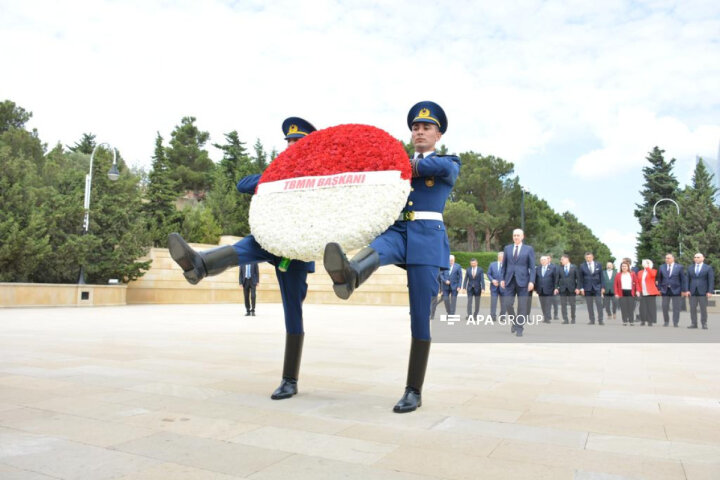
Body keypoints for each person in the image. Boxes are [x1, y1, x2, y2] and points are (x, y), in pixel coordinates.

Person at [323, 101, 460, 413]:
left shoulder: (449, 161)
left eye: (426, 127)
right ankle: (349, 274)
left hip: (427, 237)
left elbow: (443, 170)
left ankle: (414, 390)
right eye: (415, 127)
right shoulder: (393, 163)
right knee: (377, 248)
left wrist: (399, 165)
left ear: (437, 134)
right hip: (398, 230)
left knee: (419, 319)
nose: (420, 131)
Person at [167, 117, 317, 401]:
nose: (292, 146)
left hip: (296, 249)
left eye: (298, 142)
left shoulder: (321, 174)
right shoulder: (277, 171)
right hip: (270, 237)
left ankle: (289, 379)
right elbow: (242, 184)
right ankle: (198, 264)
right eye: (289, 142)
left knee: (293, 309)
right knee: (246, 246)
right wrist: (277, 176)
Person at [500, 229, 536, 337]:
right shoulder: (507, 248)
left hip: (524, 281)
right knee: (507, 304)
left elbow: (532, 267)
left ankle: (520, 328)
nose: (516, 237)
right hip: (509, 280)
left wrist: (531, 281)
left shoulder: (528, 249)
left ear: (522, 236)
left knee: (522, 306)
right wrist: (502, 279)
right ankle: (515, 321)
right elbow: (504, 266)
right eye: (514, 235)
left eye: (518, 235)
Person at [685, 253, 714, 329]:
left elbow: (711, 281)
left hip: (703, 291)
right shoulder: (690, 268)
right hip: (692, 291)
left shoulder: (708, 268)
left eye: (698, 257)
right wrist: (687, 290)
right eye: (695, 257)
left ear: (703, 258)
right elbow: (687, 280)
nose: (696, 258)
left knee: (703, 309)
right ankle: (694, 324)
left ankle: (704, 323)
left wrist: (710, 291)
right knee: (692, 309)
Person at [657, 253, 687, 327]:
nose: (667, 259)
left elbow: (683, 279)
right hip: (665, 290)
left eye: (668, 258)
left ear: (673, 259)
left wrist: (684, 290)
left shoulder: (679, 267)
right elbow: (659, 279)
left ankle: (675, 322)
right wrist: (659, 289)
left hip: (676, 290)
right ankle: (666, 321)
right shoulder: (662, 267)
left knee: (676, 307)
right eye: (666, 258)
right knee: (664, 307)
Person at [578, 252, 605, 325]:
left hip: (597, 287)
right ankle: (592, 320)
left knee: (599, 303)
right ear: (585, 258)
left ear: (592, 257)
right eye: (587, 257)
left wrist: (603, 287)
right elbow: (580, 278)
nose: (588, 259)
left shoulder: (598, 264)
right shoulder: (582, 266)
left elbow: (602, 276)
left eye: (590, 257)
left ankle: (600, 320)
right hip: (587, 288)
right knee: (589, 305)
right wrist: (581, 288)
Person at [555, 254, 579, 324]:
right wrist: (556, 287)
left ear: (567, 259)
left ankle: (573, 318)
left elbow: (578, 278)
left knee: (572, 304)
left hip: (572, 289)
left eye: (562, 259)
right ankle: (565, 319)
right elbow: (557, 279)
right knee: (563, 304)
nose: (561, 261)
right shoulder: (560, 268)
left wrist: (578, 288)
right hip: (562, 289)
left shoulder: (574, 267)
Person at [637, 259, 660, 326]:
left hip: (651, 292)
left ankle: (650, 321)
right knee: (642, 307)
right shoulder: (640, 272)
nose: (645, 264)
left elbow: (653, 275)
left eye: (647, 263)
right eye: (644, 263)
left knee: (651, 307)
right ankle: (643, 320)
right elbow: (638, 282)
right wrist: (638, 290)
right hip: (642, 291)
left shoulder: (653, 271)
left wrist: (647, 268)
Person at [535, 255, 557, 323]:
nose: (543, 261)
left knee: (548, 304)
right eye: (542, 260)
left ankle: (547, 318)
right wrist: (535, 288)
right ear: (540, 261)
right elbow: (535, 279)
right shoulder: (538, 268)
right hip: (540, 289)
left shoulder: (552, 268)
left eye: (544, 260)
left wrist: (555, 288)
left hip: (549, 289)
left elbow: (555, 279)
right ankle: (545, 316)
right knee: (543, 304)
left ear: (547, 261)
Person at [487, 252, 506, 321]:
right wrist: (492, 280)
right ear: (498, 257)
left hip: (503, 287)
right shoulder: (492, 264)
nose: (501, 257)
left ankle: (502, 317)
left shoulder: (507, 265)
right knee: (493, 302)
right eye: (500, 256)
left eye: (503, 256)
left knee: (504, 303)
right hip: (494, 287)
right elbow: (488, 274)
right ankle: (492, 316)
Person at [548, 254, 560, 320]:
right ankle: (548, 315)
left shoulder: (555, 266)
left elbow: (557, 277)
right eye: (546, 258)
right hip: (546, 288)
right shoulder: (541, 266)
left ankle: (555, 315)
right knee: (548, 302)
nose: (547, 259)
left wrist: (556, 287)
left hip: (554, 287)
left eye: (548, 258)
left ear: (550, 259)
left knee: (555, 302)